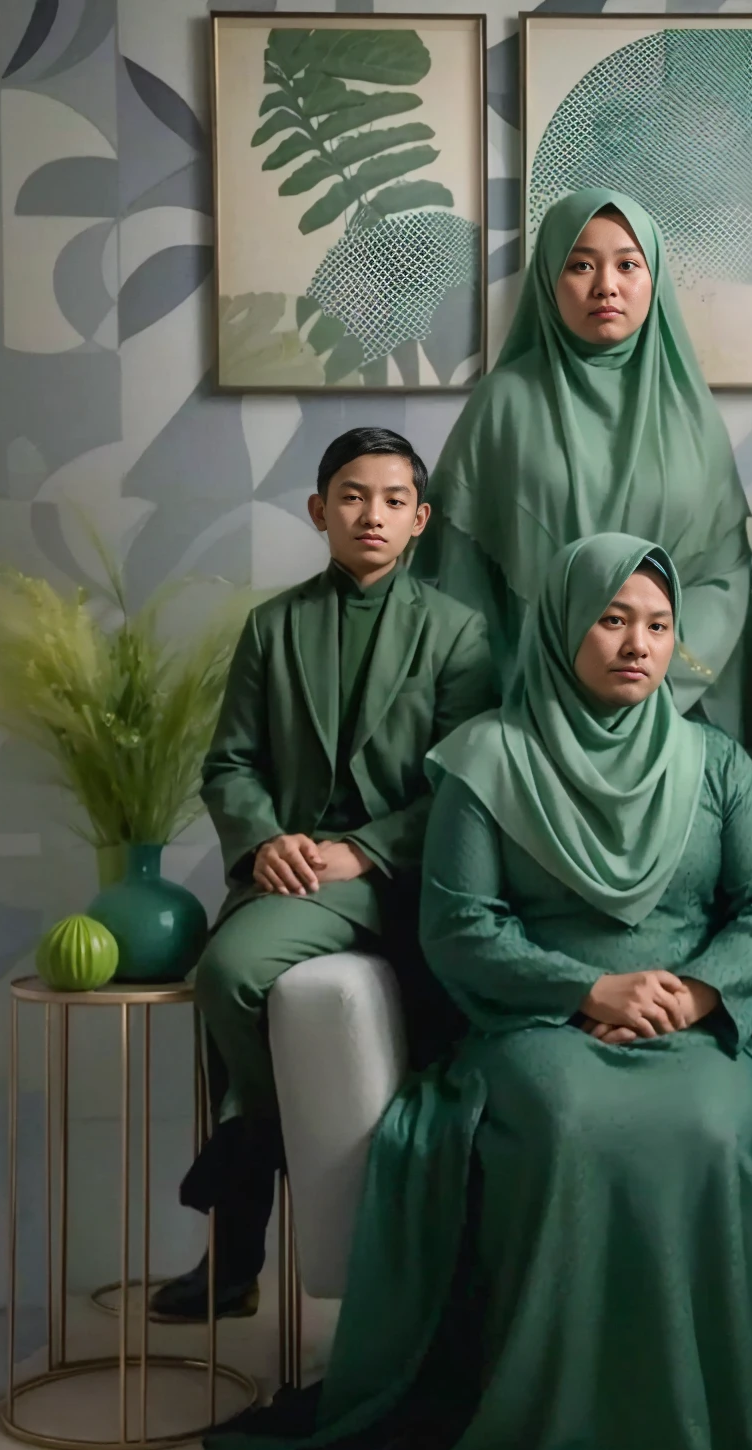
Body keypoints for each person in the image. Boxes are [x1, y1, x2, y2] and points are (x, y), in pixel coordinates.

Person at [185, 533, 752, 1450]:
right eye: (610, 619)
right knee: (568, 1123)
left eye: (656, 625)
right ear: (563, 627)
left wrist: (695, 993)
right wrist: (589, 991)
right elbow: (460, 927)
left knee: (716, 1124)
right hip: (538, 1020)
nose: (636, 644)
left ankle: (678, 1421)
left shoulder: (714, 760)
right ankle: (546, 1418)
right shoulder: (484, 758)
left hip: (686, 1018)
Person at [150, 428, 493, 1324]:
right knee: (228, 974)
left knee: (230, 971)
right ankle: (239, 1232)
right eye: (350, 495)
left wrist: (368, 846)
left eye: (390, 499)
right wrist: (265, 841)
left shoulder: (458, 632)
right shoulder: (274, 626)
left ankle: (243, 1189)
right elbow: (230, 765)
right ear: (318, 511)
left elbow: (464, 781)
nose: (369, 514)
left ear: (420, 520)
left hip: (400, 876)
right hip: (292, 870)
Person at [417, 187, 752, 734]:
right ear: (549, 280)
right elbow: (459, 575)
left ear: (655, 279)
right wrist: (527, 688)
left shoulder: (691, 414)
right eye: (580, 265)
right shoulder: (503, 404)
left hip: (673, 712)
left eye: (627, 264)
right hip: (528, 711)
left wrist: (659, 685)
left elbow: (725, 573)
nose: (606, 286)